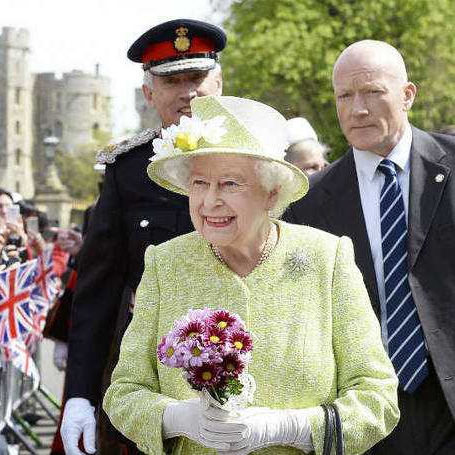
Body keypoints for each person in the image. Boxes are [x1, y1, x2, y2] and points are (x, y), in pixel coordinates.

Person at [103, 95, 399, 454]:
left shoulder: (327, 258)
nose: (210, 201)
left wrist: (292, 428)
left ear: (272, 195)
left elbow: (378, 398)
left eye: (230, 184)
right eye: (199, 183)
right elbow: (123, 393)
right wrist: (176, 418)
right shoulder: (166, 264)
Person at [62, 19, 225, 455]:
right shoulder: (128, 170)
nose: (187, 92)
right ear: (149, 94)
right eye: (172, 81)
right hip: (152, 376)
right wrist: (80, 393)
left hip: (245, 362)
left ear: (219, 82)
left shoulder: (253, 157)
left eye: (197, 77)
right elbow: (99, 290)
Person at [283, 40, 455, 453]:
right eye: (345, 96)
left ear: (407, 95)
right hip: (365, 414)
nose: (357, 109)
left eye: (373, 92)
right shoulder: (304, 203)